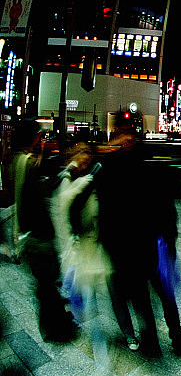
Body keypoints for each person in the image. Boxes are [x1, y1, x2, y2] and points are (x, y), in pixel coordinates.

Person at [97, 123, 181, 357]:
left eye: (128, 137)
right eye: (121, 138)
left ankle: (175, 336)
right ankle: (153, 339)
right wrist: (110, 246)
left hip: (153, 244)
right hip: (129, 247)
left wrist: (169, 239)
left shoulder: (150, 162)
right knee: (143, 297)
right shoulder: (109, 167)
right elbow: (106, 212)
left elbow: (167, 206)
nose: (125, 142)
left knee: (164, 295)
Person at [10, 119, 78, 343]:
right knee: (47, 285)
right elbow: (39, 197)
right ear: (32, 138)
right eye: (39, 136)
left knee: (44, 285)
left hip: (28, 235)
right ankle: (56, 329)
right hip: (39, 236)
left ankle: (57, 324)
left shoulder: (15, 159)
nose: (41, 140)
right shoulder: (29, 163)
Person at [52, 142, 111, 368]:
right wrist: (82, 182)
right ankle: (100, 354)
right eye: (81, 157)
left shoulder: (93, 178)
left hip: (92, 247)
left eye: (87, 157)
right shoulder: (70, 180)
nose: (84, 161)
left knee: (87, 294)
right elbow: (64, 205)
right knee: (87, 298)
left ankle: (79, 319)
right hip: (78, 248)